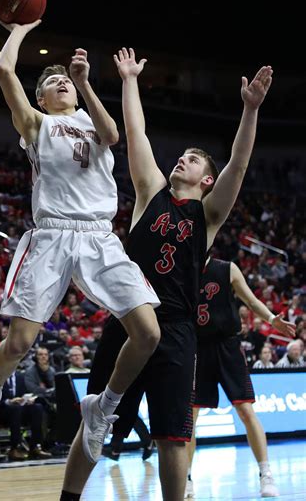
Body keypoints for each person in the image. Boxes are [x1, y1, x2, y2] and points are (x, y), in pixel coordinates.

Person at [61, 48, 273, 501]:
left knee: (173, 434)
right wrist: (130, 80)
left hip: (177, 329)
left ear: (206, 180)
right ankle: (68, 497)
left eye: (194, 160)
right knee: (96, 418)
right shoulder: (149, 192)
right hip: (129, 320)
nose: (183, 160)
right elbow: (135, 131)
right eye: (182, 156)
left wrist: (249, 111)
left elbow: (238, 162)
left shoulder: (208, 214)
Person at [0, 22, 161, 469]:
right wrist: (20, 28)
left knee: (149, 332)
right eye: (52, 83)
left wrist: (85, 81)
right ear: (41, 99)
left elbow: (113, 136)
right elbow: (4, 70)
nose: (61, 83)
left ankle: (103, 406)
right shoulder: (36, 123)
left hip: (100, 236)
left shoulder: (90, 120)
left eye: (63, 79)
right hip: (51, 234)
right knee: (20, 341)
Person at [186, 257, 296, 498]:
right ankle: (186, 479)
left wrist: (270, 319)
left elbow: (251, 300)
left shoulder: (226, 268)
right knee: (190, 418)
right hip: (197, 348)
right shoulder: (182, 267)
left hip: (228, 345)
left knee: (246, 411)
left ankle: (266, 473)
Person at [0, 369, 53, 461]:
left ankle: (35, 446)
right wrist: (9, 401)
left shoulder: (20, 376)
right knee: (15, 408)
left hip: (18, 410)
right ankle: (15, 448)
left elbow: (23, 393)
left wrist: (27, 400)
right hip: (1, 410)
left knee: (37, 407)